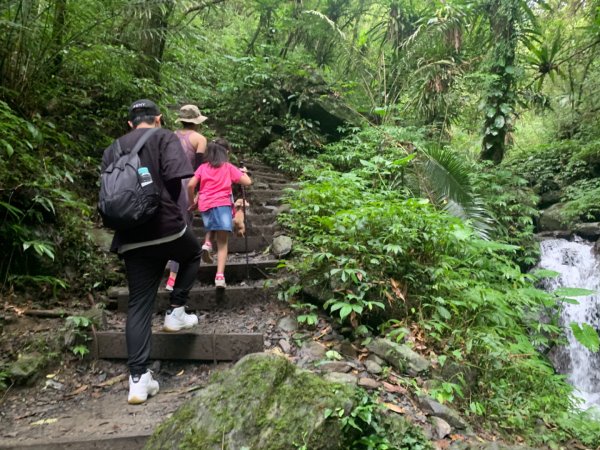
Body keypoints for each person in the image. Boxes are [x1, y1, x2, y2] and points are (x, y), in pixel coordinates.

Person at [101, 99, 202, 404]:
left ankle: (137, 379)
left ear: (130, 123)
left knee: (139, 304)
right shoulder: (164, 137)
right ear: (158, 119)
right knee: (193, 253)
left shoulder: (113, 149)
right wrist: (164, 209)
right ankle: (176, 311)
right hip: (165, 226)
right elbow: (175, 182)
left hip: (130, 235)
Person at [187, 139, 251, 288]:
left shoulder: (203, 167)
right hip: (222, 204)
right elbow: (247, 182)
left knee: (212, 226)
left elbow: (190, 185)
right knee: (223, 244)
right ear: (224, 153)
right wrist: (244, 172)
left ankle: (207, 243)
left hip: (205, 204)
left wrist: (192, 203)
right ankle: (220, 277)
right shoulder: (228, 167)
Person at [165, 104, 209, 291]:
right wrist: (199, 193)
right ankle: (173, 276)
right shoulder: (200, 139)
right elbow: (199, 168)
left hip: (168, 183)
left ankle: (169, 267)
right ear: (196, 121)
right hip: (187, 184)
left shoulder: (170, 137)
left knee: (169, 224)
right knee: (183, 226)